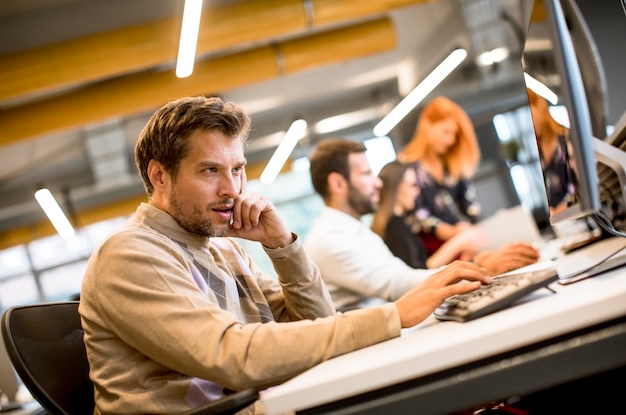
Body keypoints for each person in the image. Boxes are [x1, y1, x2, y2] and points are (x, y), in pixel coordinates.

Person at [78, 96, 494, 415]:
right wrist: (394, 316)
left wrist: (283, 247)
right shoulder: (130, 254)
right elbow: (235, 357)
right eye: (211, 171)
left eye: (237, 169)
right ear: (159, 176)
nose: (232, 189)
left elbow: (316, 324)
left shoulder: (220, 247)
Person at [304, 138, 538, 312]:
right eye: (366, 174)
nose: (377, 183)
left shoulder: (355, 230)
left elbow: (403, 275)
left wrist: (471, 267)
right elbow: (396, 286)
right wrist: (475, 267)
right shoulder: (328, 239)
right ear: (337, 183)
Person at [397, 96, 482, 255]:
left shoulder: (452, 165)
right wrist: (451, 232)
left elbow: (471, 205)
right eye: (445, 132)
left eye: (454, 134)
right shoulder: (406, 167)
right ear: (427, 125)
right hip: (428, 250)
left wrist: (470, 229)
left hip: (457, 244)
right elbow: (417, 215)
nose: (450, 140)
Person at [371, 160, 487, 269]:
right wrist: (458, 242)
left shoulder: (399, 222)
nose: (417, 191)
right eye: (412, 185)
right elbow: (420, 270)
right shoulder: (394, 226)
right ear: (396, 187)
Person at [526, 88, 577, 215]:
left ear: (539, 108)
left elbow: (581, 183)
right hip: (562, 220)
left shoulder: (567, 138)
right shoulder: (538, 150)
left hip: (578, 212)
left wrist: (563, 208)